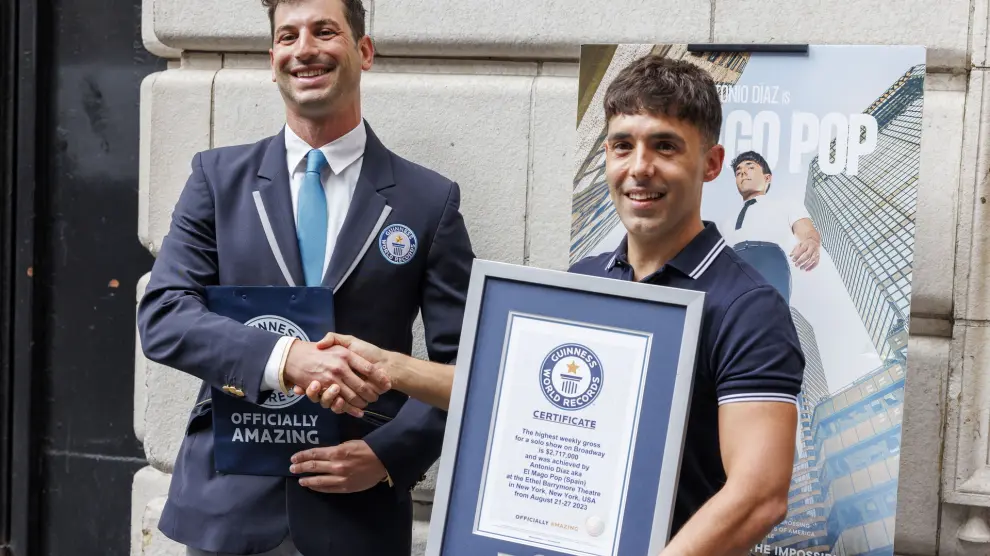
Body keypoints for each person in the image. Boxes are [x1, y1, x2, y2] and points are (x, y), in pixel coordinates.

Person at [305, 55, 805, 556]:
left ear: (711, 163)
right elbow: (506, 389)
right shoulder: (585, 281)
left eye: (665, 146)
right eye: (623, 146)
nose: (639, 168)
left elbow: (758, 495)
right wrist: (385, 365)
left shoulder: (747, 307)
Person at [136, 0, 474, 553]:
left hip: (355, 510)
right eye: (288, 36)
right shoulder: (217, 180)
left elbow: (463, 367)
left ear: (363, 51)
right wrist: (287, 358)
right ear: (273, 59)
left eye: (324, 31)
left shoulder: (428, 201)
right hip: (230, 505)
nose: (305, 49)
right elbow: (165, 315)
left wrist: (391, 455)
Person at [720, 150, 822, 303]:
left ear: (767, 177)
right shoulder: (727, 222)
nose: (742, 173)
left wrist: (811, 242)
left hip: (769, 259)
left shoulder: (785, 204)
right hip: (734, 266)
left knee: (769, 316)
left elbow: (806, 230)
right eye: (738, 172)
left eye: (750, 167)